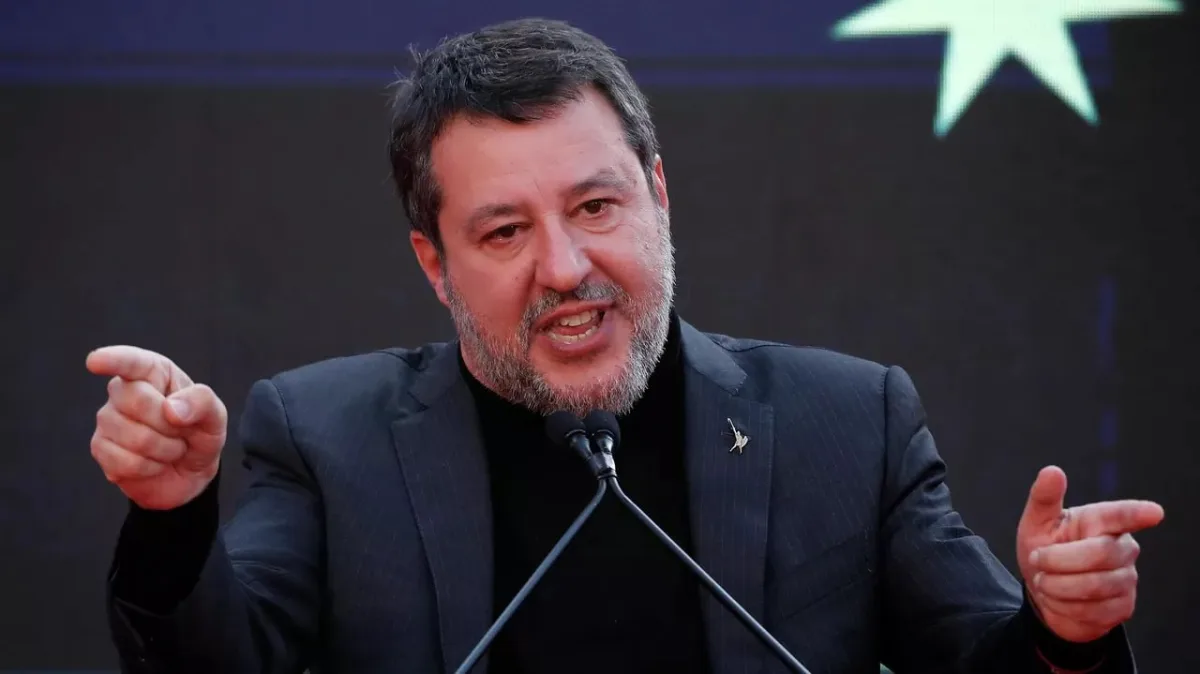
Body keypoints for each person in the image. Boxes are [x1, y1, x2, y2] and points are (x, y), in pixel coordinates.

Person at [86, 17, 1163, 674]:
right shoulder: (326, 436)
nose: (565, 267)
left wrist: (1061, 631)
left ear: (657, 196)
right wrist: (175, 518)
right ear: (434, 262)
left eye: (596, 207)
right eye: (504, 232)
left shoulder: (851, 421)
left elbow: (985, 661)